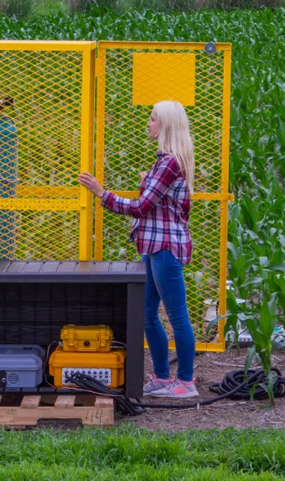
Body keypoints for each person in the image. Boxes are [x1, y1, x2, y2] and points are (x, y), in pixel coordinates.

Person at [78, 100, 197, 398]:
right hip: (152, 245)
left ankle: (185, 382)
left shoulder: (170, 162)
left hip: (165, 248)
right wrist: (148, 183)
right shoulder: (166, 161)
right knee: (147, 314)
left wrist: (100, 193)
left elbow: (142, 207)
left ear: (166, 125)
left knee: (177, 316)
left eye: (153, 118)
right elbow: (164, 203)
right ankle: (161, 376)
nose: (149, 122)